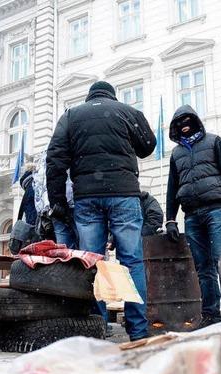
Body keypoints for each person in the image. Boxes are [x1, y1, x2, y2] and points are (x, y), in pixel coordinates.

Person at [46, 81, 157, 341]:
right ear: (112, 95)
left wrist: (58, 201)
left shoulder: (71, 116)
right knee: (131, 262)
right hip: (124, 194)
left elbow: (55, 159)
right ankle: (138, 330)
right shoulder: (127, 112)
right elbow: (148, 146)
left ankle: (97, 328)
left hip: (87, 197)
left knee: (92, 263)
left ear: (89, 96)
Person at [165, 105, 221, 327]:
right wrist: (170, 219)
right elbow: (172, 188)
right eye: (179, 123)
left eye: (187, 120)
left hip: (217, 210)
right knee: (203, 267)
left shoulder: (214, 142)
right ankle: (210, 314)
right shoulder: (176, 154)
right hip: (191, 215)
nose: (184, 126)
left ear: (196, 121)